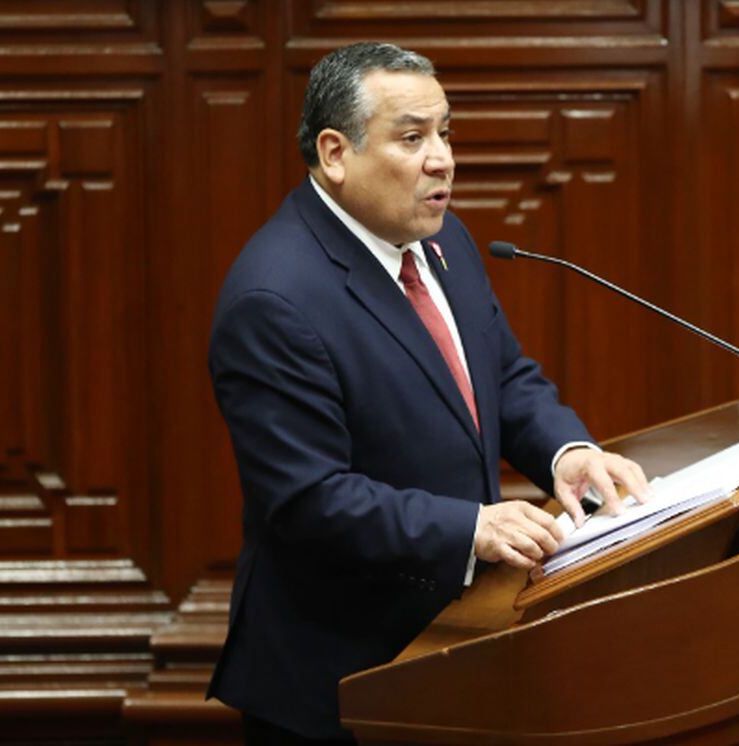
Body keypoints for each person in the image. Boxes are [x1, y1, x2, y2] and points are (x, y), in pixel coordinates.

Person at [205, 42, 651, 744]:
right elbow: (308, 500)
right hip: (343, 685)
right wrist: (473, 527)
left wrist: (565, 453)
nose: (441, 158)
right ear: (334, 153)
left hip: (455, 651)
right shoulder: (275, 298)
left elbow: (499, 375)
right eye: (412, 138)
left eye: (445, 133)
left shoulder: (443, 243)